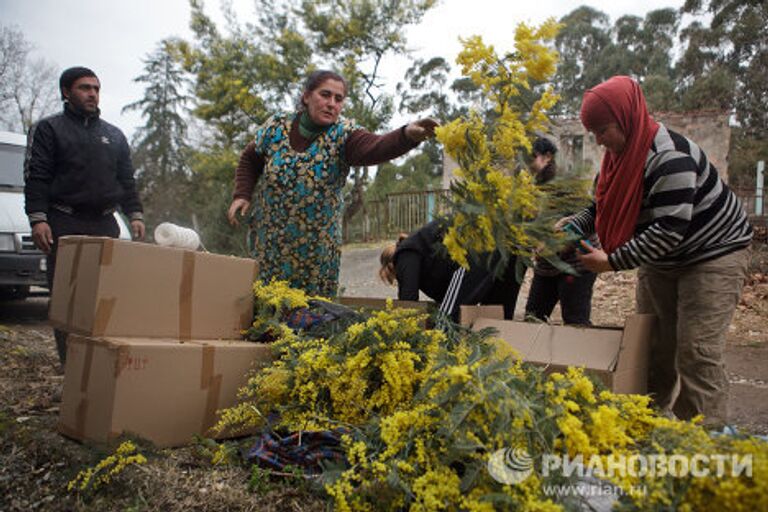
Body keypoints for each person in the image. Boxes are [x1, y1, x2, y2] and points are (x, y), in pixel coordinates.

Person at [570, 75, 752, 426]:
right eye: (593, 132)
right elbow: (601, 205)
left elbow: (668, 230)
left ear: (626, 118)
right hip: (662, 258)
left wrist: (611, 262)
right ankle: (648, 425)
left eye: (603, 129)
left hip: (712, 253)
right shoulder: (615, 159)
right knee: (652, 346)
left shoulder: (670, 158)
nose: (599, 140)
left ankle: (702, 439)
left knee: (696, 351)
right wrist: (578, 223)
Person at [228, 70, 438, 298]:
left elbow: (375, 146)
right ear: (306, 96)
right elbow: (250, 157)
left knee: (311, 317)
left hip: (316, 255)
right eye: (325, 95)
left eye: (338, 99)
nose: (331, 104)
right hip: (271, 246)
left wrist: (407, 134)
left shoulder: (344, 135)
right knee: (266, 312)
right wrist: (242, 194)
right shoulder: (276, 127)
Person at [24, 66, 145, 365]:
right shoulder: (49, 129)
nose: (92, 93)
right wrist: (38, 218)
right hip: (65, 222)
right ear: (66, 92)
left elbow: (126, 180)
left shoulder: (113, 135)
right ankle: (72, 369)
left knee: (107, 299)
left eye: (96, 88)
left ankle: (100, 366)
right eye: (84, 88)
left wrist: (135, 214)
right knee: (69, 301)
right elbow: (36, 176)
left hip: (106, 223)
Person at [379, 221, 521, 321]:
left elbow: (408, 303)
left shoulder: (405, 253)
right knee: (497, 319)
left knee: (446, 324)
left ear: (392, 266)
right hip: (510, 244)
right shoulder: (422, 250)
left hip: (478, 250)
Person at [524, 138, 597, 325]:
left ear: (548, 157)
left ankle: (579, 354)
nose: (526, 164)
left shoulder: (567, 182)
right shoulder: (530, 188)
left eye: (531, 157)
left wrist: (553, 245)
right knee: (532, 319)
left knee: (575, 323)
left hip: (576, 264)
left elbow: (585, 221)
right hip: (546, 266)